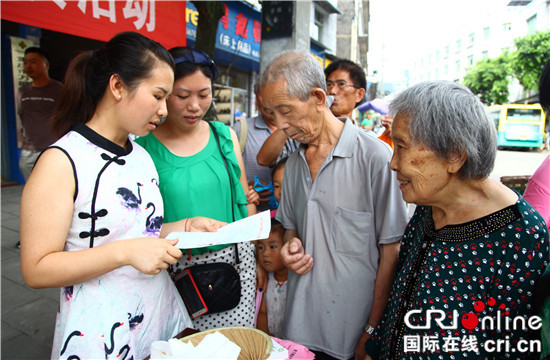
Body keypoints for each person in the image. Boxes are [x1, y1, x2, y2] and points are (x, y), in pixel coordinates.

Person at [19, 32, 226, 360]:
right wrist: (125, 253)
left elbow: (140, 233)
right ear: (117, 86)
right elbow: (37, 268)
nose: (163, 110)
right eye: (158, 96)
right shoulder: (63, 161)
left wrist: (185, 226)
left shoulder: (141, 155)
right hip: (100, 332)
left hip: (158, 319)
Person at [365, 81, 549, 360]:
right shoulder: (429, 203)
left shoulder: (520, 233)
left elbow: (511, 345)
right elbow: (402, 293)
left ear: (454, 155)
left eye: (401, 147)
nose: (393, 163)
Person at [259, 50, 409, 360]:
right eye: (271, 114)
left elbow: (391, 252)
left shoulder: (375, 158)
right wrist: (292, 246)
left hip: (352, 333)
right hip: (299, 328)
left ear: (317, 96)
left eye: (285, 110)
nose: (280, 124)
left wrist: (371, 329)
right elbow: (291, 228)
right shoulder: (295, 163)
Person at [135, 46, 260, 331]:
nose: (195, 106)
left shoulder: (223, 136)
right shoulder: (142, 147)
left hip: (234, 266)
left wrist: (257, 251)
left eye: (204, 94)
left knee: (232, 347)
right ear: (165, 94)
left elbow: (244, 201)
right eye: (182, 96)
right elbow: (139, 222)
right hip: (173, 271)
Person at [234, 82, 298, 212]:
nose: (268, 103)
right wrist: (243, 187)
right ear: (256, 97)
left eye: (274, 97)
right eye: (263, 96)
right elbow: (226, 174)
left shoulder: (299, 130)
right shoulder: (241, 129)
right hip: (253, 214)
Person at [17, 46, 63, 180]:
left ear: (46, 64)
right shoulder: (22, 91)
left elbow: (67, 117)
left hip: (53, 148)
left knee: (52, 187)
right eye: (25, 62)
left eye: (33, 61)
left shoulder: (59, 90)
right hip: (29, 150)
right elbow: (23, 116)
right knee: (31, 187)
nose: (28, 66)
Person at [255, 219, 288, 338]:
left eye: (272, 246)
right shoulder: (265, 280)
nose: (265, 253)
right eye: (261, 247)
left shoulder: (296, 282)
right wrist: (267, 338)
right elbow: (262, 313)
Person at [324, 58, 367, 125]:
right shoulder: (309, 132)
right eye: (329, 85)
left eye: (341, 84)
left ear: (359, 94)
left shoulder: (364, 135)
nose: (332, 91)